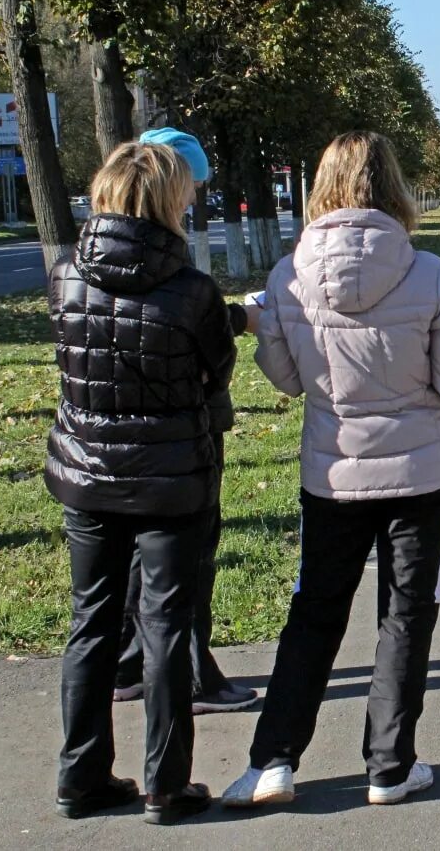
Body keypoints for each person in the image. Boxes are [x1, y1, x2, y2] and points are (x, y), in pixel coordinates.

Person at [221, 131, 440, 808]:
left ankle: (273, 761)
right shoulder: (432, 275)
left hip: (332, 473)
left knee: (313, 613)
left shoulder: (288, 276)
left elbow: (285, 378)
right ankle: (389, 767)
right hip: (422, 474)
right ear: (394, 187)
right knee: (405, 615)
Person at [46, 141, 236, 824]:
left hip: (88, 473)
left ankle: (80, 776)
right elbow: (217, 374)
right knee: (164, 626)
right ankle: (165, 784)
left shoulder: (67, 275)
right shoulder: (191, 291)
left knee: (91, 624)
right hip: (170, 480)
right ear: (166, 202)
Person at [111, 126, 259, 714]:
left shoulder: (79, 267)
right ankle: (195, 676)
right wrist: (238, 321)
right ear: (168, 187)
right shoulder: (177, 270)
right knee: (189, 557)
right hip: (181, 438)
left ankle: (126, 665)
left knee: (131, 559)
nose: (197, 197)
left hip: (106, 441)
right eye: (192, 185)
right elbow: (200, 344)